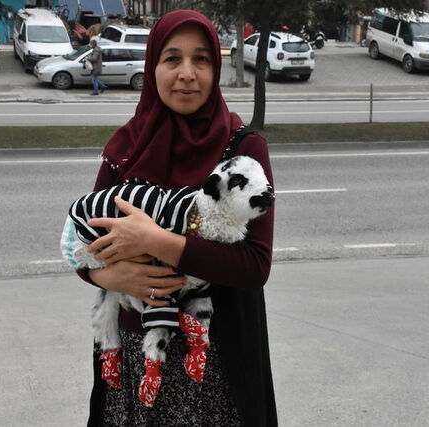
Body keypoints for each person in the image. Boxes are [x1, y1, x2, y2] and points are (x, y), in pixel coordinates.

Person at [72, 9, 277, 426]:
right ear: (152, 68)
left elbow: (255, 266)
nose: (187, 73)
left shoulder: (243, 150)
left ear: (215, 69)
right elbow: (78, 243)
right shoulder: (126, 148)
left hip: (217, 362)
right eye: (172, 59)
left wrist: (155, 241)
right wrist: (108, 276)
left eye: (201, 59)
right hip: (134, 356)